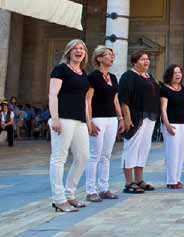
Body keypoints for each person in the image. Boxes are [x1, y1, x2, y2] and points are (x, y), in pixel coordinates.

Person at [48, 39, 91, 212]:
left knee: (83, 157)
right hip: (63, 118)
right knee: (59, 157)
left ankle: (70, 194)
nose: (79, 51)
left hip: (79, 120)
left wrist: (88, 121)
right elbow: (53, 94)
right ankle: (58, 199)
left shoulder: (83, 72)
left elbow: (85, 100)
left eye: (81, 48)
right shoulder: (61, 69)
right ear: (68, 51)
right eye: (75, 48)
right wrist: (55, 118)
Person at [84, 46, 124, 202]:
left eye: (112, 55)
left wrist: (120, 118)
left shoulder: (113, 77)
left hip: (111, 118)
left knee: (106, 155)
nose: (112, 57)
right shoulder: (93, 77)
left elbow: (115, 99)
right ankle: (90, 189)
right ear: (99, 58)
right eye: (108, 55)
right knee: (95, 155)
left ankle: (104, 188)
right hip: (98, 118)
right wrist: (89, 121)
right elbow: (87, 99)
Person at [119, 49, 160, 194]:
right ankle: (128, 182)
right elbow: (123, 99)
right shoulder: (128, 76)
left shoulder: (149, 77)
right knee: (131, 147)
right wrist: (126, 117)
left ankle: (139, 179)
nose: (146, 61)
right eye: (143, 59)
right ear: (135, 61)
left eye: (147, 59)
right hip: (136, 117)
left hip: (150, 117)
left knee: (143, 148)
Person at [160, 65, 184, 189]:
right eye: (175, 73)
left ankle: (177, 178)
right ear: (170, 75)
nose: (178, 75)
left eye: (179, 72)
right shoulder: (164, 89)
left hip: (183, 123)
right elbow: (163, 109)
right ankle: (171, 180)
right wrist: (167, 124)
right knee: (172, 152)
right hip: (171, 123)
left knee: (180, 152)